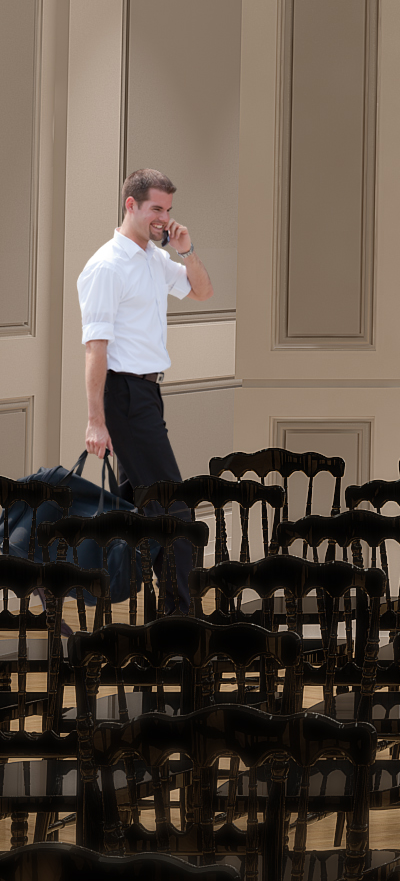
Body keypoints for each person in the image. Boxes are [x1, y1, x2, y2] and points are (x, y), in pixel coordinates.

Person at [78, 167, 212, 610]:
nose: (164, 218)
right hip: (123, 396)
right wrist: (96, 421)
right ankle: (180, 619)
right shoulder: (106, 266)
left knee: (138, 508)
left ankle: (141, 611)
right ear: (130, 205)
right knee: (174, 507)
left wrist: (186, 250)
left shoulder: (154, 259)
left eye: (168, 210)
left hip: (148, 395)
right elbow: (95, 348)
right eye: (156, 208)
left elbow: (202, 291)